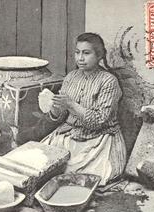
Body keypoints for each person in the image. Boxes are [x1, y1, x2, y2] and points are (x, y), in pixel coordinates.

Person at [41, 32, 127, 186]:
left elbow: (99, 121)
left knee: (85, 176)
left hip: (99, 140)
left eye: (86, 53)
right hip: (69, 134)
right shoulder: (71, 77)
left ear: (99, 55)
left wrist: (71, 104)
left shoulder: (108, 81)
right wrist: (54, 107)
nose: (80, 58)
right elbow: (60, 117)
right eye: (77, 52)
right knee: (42, 162)